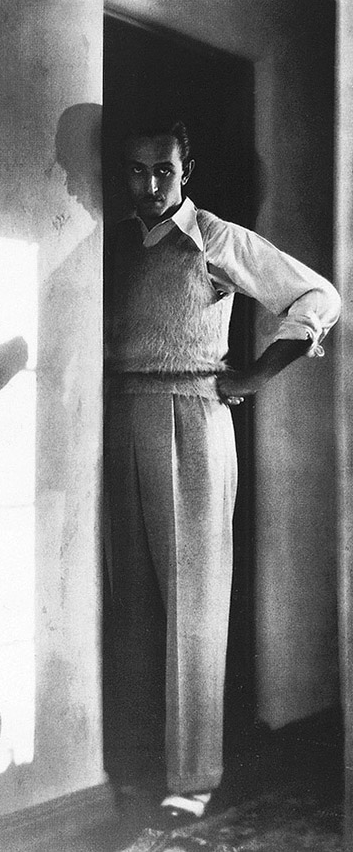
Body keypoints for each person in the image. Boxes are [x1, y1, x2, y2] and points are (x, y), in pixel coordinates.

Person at [104, 120, 341, 825]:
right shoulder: (116, 242)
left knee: (195, 604)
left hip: (195, 417)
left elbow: (317, 297)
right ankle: (140, 765)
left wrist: (256, 375)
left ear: (187, 170)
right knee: (133, 601)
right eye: (137, 171)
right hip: (124, 414)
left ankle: (193, 778)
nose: (151, 185)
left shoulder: (214, 238)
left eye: (164, 171)